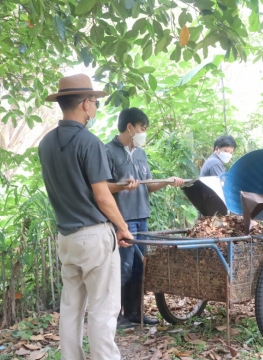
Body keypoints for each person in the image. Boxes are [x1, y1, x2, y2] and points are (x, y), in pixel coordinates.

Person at [39, 74, 133, 360]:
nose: (95, 108)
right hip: (93, 235)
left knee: (71, 309)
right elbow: (102, 196)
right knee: (104, 310)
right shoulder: (89, 142)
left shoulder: (46, 143)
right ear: (84, 104)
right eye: (94, 102)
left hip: (66, 237)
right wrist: (123, 227)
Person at [105, 107, 184, 329]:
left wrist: (168, 181)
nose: (143, 133)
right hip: (122, 219)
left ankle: (134, 313)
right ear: (129, 127)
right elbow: (101, 189)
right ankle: (115, 316)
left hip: (142, 217)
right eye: (142, 128)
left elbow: (147, 186)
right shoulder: (107, 151)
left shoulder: (140, 153)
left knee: (140, 268)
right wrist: (122, 186)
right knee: (122, 268)